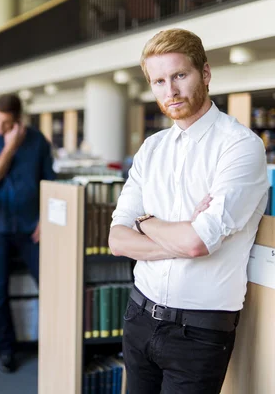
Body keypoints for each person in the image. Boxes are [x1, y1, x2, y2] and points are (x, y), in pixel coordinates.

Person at [108, 28, 269, 394]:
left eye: (180, 75)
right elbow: (117, 240)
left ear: (206, 73)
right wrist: (177, 235)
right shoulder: (151, 149)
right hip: (138, 315)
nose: (171, 91)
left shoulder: (240, 147)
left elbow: (197, 243)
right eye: (159, 81)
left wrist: (145, 222)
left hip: (199, 332)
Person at [0, 94, 55, 373]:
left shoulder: (38, 141)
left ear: (19, 121)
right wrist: (9, 147)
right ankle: (7, 349)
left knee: (52, 284)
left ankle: (56, 344)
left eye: (6, 123)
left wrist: (46, 219)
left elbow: (49, 183)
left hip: (31, 226)